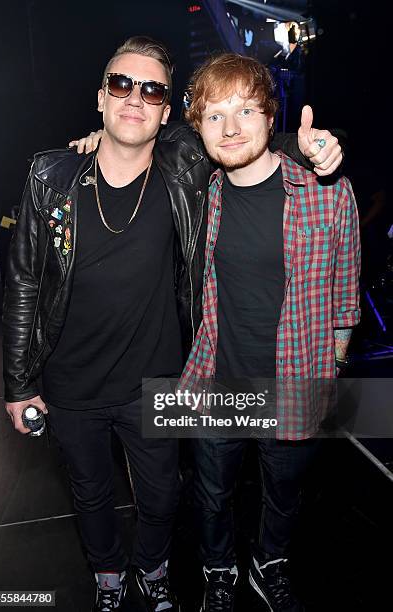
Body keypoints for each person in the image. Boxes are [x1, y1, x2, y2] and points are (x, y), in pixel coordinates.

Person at [3, 35, 344, 612]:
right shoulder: (52, 176)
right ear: (101, 98)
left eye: (152, 89)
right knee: (90, 496)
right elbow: (24, 285)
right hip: (71, 383)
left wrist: (312, 147)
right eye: (121, 84)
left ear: (164, 112)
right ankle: (108, 575)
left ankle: (154, 570)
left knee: (164, 497)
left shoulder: (183, 168)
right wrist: (18, 383)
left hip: (160, 380)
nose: (135, 97)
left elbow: (241, 139)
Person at [178, 53, 360, 612]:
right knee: (212, 498)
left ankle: (270, 564)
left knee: (284, 496)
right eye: (214, 115)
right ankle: (218, 571)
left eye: (246, 110)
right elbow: (131, 147)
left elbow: (346, 294)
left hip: (296, 384)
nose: (230, 127)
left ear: (270, 116)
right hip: (216, 381)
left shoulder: (328, 193)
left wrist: (332, 364)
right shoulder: (199, 191)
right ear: (198, 127)